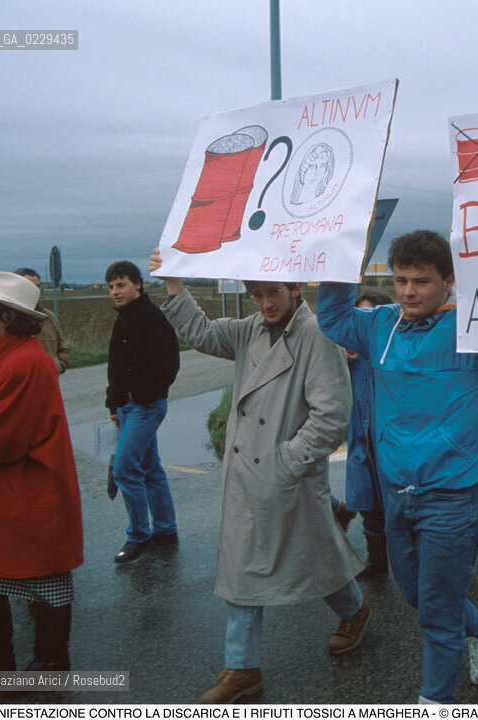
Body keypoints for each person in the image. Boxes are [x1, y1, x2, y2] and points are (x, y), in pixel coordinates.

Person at [150, 249, 366, 704]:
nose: (265, 303)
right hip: (253, 477)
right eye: (257, 295)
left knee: (315, 555)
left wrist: (286, 461)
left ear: (295, 288)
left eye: (273, 293)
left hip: (287, 476)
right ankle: (243, 666)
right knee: (255, 565)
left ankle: (350, 613)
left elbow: (332, 416)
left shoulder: (316, 334)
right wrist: (174, 285)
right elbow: (202, 334)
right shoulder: (249, 330)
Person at [317, 230, 478, 704]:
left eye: (421, 282)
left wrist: (467, 418)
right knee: (417, 596)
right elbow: (333, 316)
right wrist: (347, 256)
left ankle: (435, 701)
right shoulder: (381, 325)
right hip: (395, 491)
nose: (407, 291)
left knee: (436, 618)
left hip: (451, 493)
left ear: (449, 281)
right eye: (401, 280)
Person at [0, 272, 83, 670]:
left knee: (47, 581)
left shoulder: (24, 363)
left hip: (32, 491)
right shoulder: (5, 358)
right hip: (7, 492)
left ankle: (49, 663)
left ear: (7, 317)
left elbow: (0, 436)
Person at [105, 261, 180, 564]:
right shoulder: (123, 318)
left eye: (121, 285)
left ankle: (138, 535)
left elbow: (170, 364)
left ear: (138, 284)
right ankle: (165, 529)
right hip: (126, 406)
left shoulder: (152, 317)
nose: (115, 292)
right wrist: (114, 403)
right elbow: (116, 367)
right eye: (111, 287)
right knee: (150, 468)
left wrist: (144, 394)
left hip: (145, 406)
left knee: (124, 469)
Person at [347, 290, 393, 578]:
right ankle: (376, 561)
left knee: (402, 506)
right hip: (360, 444)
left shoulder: (389, 355)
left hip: (389, 442)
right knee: (368, 501)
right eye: (358, 316)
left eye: (369, 316)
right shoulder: (346, 360)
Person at [14, 268, 70, 373]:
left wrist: (59, 365)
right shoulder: (5, 319)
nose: (35, 290)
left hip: (48, 383)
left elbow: (63, 348)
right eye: (29, 286)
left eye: (37, 286)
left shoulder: (49, 317)